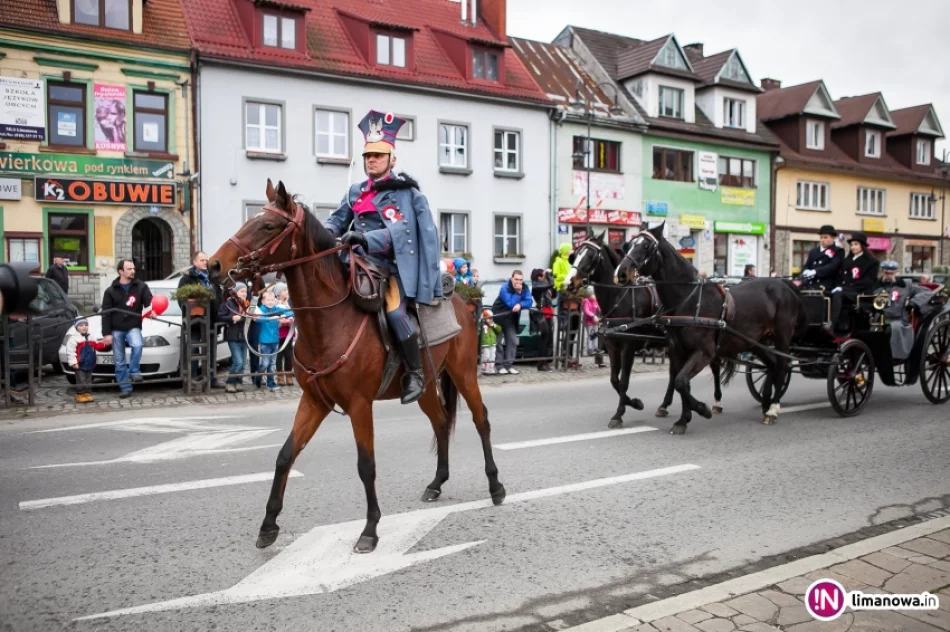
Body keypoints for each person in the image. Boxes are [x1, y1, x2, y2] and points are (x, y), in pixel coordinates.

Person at [324, 110, 442, 405]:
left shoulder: (403, 193)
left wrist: (365, 237)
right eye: (367, 156)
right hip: (355, 264)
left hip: (390, 269)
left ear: (392, 159)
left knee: (395, 313)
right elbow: (337, 221)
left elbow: (400, 233)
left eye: (378, 155)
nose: (371, 160)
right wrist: (320, 233)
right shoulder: (354, 192)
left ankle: (415, 373)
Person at [101, 259, 153, 398]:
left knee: (137, 345)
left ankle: (134, 372)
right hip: (116, 328)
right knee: (119, 360)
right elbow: (106, 314)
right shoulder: (110, 291)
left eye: (133, 269)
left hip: (133, 326)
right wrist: (106, 334)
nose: (133, 271)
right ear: (121, 271)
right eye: (129, 269)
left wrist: (151, 310)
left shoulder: (141, 287)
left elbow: (149, 302)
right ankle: (125, 387)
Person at [177, 251, 225, 389]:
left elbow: (219, 297)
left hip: (211, 321)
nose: (205, 262)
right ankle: (192, 379)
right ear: (195, 262)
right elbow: (182, 299)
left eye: (206, 260)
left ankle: (211, 378)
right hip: (195, 322)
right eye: (202, 260)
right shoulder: (187, 279)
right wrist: (193, 312)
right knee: (193, 351)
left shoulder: (212, 278)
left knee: (211, 351)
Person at [827, 232, 879, 335]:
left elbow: (868, 281)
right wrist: (838, 286)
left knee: (838, 294)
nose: (853, 247)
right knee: (827, 294)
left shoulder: (871, 261)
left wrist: (845, 289)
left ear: (862, 246)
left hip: (860, 293)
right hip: (846, 291)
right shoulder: (847, 260)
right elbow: (840, 277)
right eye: (851, 245)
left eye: (856, 244)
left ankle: (832, 324)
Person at [491, 270, 532, 375]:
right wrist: (518, 293)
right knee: (498, 341)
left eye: (520, 280)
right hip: (499, 316)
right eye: (516, 279)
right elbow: (510, 303)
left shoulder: (525, 287)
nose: (518, 282)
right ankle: (498, 365)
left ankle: (508, 365)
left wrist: (521, 305)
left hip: (510, 318)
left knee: (512, 340)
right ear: (511, 278)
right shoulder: (505, 288)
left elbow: (529, 301)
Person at [254, 290, 292, 392]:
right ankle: (258, 376)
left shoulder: (276, 309)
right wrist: (272, 318)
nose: (270, 302)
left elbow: (289, 312)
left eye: (272, 300)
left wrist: (289, 317)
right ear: (263, 301)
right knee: (265, 363)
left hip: (275, 341)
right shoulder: (261, 309)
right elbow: (257, 319)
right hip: (264, 342)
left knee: (272, 364)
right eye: (268, 300)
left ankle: (271, 383)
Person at [65, 318, 109, 403]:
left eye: (86, 325)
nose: (84, 327)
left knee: (89, 379)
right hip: (80, 364)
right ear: (76, 327)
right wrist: (73, 362)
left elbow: (96, 345)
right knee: (81, 380)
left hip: (89, 363)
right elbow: (70, 352)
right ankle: (80, 394)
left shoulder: (90, 336)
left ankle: (87, 393)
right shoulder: (74, 339)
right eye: (81, 325)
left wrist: (104, 344)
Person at [219, 282, 250, 393]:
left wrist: (242, 318)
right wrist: (232, 318)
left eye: (245, 291)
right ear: (235, 292)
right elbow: (221, 316)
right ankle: (230, 382)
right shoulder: (228, 303)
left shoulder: (247, 304)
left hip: (244, 336)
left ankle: (238, 381)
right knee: (238, 361)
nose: (244, 293)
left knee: (243, 362)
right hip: (233, 335)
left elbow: (249, 316)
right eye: (242, 291)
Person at [801, 225, 845, 291]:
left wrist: (815, 271)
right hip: (811, 283)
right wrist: (805, 271)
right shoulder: (813, 251)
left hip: (827, 285)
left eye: (825, 237)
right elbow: (807, 265)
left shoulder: (838, 251)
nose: (822, 240)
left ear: (833, 238)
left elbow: (832, 266)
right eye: (821, 237)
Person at [530, 268, 555, 372]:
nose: (545, 277)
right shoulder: (536, 285)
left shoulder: (543, 286)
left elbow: (554, 293)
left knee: (548, 339)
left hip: (548, 314)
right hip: (542, 315)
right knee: (544, 339)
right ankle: (541, 364)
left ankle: (545, 362)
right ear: (539, 277)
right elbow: (551, 284)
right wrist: (548, 274)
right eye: (544, 275)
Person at [274, 283, 295, 387]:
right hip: (280, 333)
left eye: (287, 289)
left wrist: (292, 319)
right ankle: (280, 376)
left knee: (289, 354)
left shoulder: (290, 303)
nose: (287, 291)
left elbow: (294, 314)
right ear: (278, 293)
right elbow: (277, 318)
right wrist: (284, 320)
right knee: (279, 355)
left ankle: (288, 374)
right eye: (284, 290)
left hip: (289, 332)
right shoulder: (276, 305)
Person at [582, 286, 605, 367]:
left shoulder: (595, 301)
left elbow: (598, 308)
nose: (594, 296)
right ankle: (590, 349)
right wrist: (592, 316)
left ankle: (595, 348)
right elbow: (586, 310)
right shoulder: (586, 301)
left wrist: (599, 313)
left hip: (595, 321)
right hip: (589, 321)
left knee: (596, 334)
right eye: (593, 294)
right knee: (590, 335)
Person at [479, 309, 501, 375]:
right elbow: (477, 331)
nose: (489, 319)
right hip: (485, 344)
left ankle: (491, 369)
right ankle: (484, 369)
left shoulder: (492, 325)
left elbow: (499, 329)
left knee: (492, 356)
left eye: (491, 318)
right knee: (486, 356)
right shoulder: (481, 325)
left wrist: (493, 325)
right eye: (488, 318)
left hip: (493, 343)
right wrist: (481, 325)